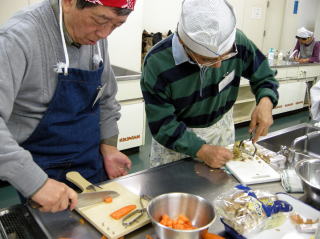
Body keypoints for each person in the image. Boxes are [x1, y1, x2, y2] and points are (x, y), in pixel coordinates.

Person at [0, 0, 136, 213]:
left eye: (117, 25)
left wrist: (109, 145)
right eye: (100, 20)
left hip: (91, 160)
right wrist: (35, 182)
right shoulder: (17, 38)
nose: (104, 34)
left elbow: (106, 95)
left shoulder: (97, 38)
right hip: (40, 169)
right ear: (69, 2)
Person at [141, 0, 279, 168]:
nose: (218, 65)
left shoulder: (238, 42)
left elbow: (264, 74)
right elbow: (162, 124)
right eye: (207, 59)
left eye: (226, 56)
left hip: (221, 130)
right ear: (185, 44)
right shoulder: (157, 62)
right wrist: (201, 149)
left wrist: (266, 101)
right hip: (177, 140)